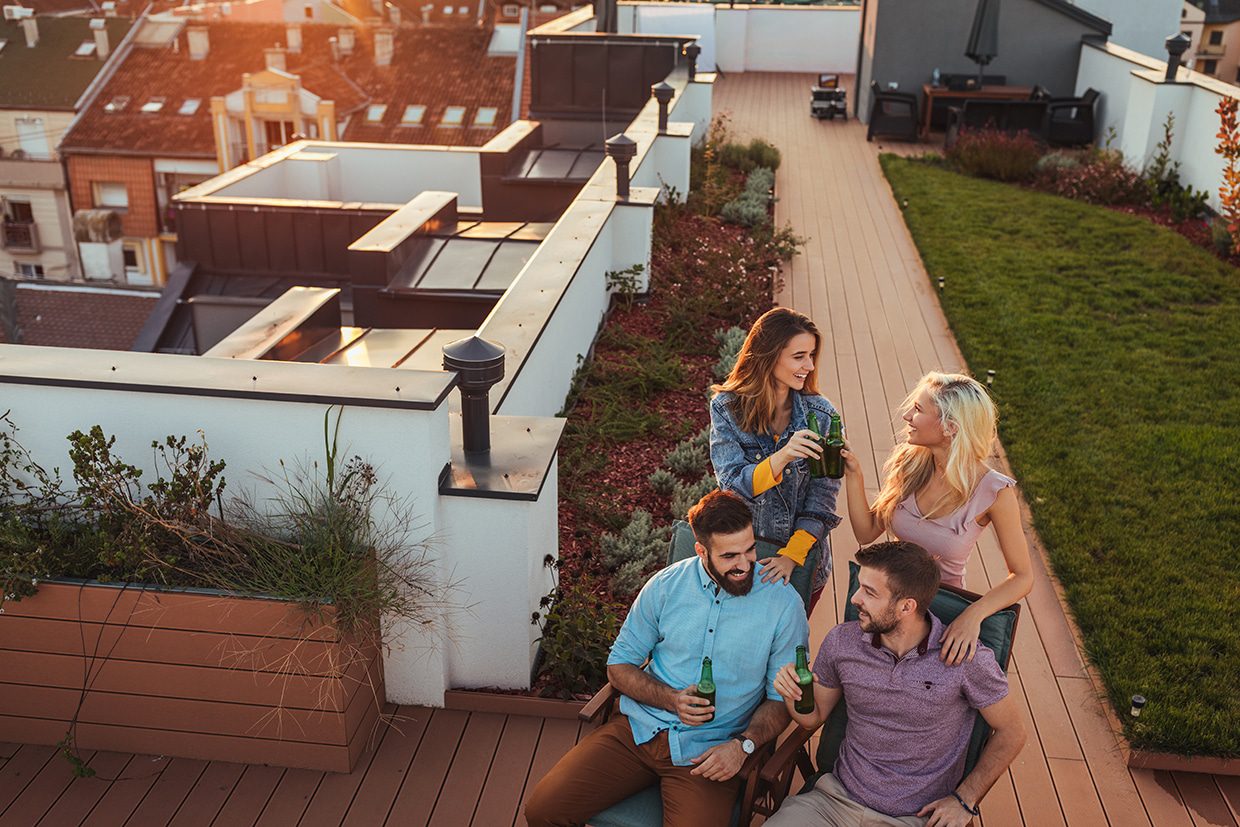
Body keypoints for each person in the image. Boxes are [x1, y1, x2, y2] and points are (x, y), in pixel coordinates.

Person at [524, 490, 809, 827]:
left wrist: (743, 747)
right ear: (701, 550)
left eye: (750, 549)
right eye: (730, 555)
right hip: (637, 733)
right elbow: (619, 665)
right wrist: (672, 700)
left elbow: (781, 700)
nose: (745, 564)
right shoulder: (665, 586)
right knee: (543, 811)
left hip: (709, 754)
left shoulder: (782, 604)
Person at [768, 541, 1026, 827]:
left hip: (913, 818)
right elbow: (813, 717)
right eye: (859, 586)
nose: (855, 599)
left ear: (906, 606)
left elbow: (1012, 732)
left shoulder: (964, 658)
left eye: (869, 592)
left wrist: (965, 799)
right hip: (834, 801)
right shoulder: (842, 642)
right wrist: (792, 693)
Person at [841, 372, 1032, 666]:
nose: (906, 416)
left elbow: (1022, 576)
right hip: (887, 601)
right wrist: (854, 474)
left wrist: (973, 614)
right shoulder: (910, 464)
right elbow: (866, 532)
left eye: (918, 410)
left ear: (950, 427)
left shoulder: (994, 492)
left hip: (941, 611)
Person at [710, 307, 841, 612]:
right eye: (799, 356)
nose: (809, 365)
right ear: (768, 355)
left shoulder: (822, 416)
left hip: (801, 564)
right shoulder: (726, 409)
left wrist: (791, 557)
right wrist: (782, 456)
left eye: (811, 355)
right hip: (741, 561)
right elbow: (732, 487)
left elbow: (823, 498)